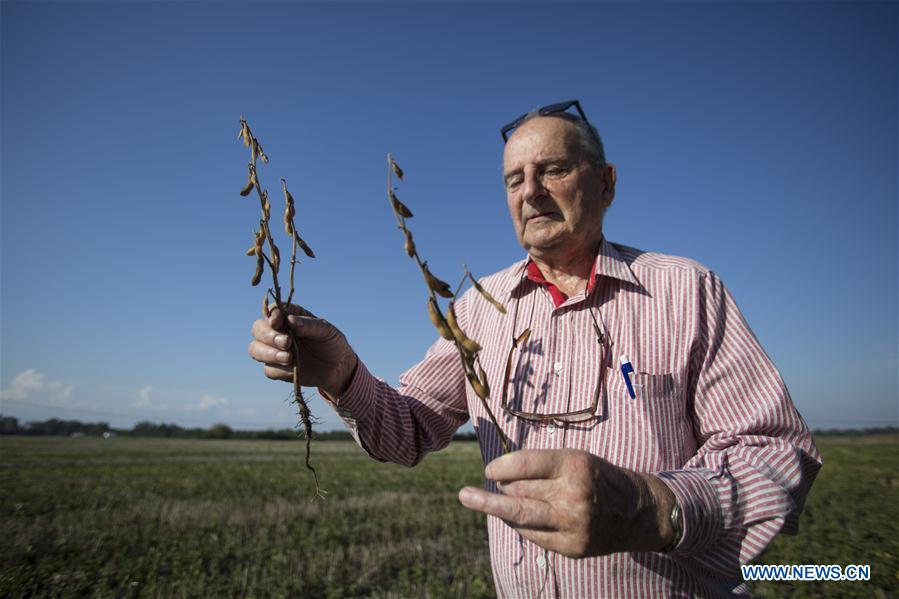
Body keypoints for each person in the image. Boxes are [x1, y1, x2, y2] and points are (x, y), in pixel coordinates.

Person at [248, 100, 821, 597]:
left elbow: (776, 455)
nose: (531, 192)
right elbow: (408, 430)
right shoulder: (476, 307)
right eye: (514, 179)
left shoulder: (686, 290)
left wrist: (649, 507)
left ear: (607, 183)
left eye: (554, 169)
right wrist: (343, 374)